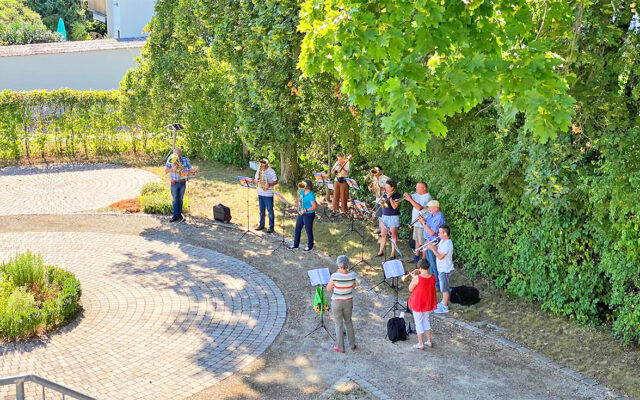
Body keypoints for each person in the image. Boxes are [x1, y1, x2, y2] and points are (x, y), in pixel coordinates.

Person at [327, 255, 357, 353]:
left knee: (338, 324)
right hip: (348, 301)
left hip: (337, 302)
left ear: (338, 264)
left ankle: (340, 347)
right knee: (348, 321)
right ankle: (352, 345)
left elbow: (328, 288)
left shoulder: (335, 276)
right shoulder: (352, 275)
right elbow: (353, 286)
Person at [407, 259, 438, 349]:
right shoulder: (433, 277)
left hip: (418, 302)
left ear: (420, 268)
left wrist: (413, 278)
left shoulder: (417, 278)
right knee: (426, 321)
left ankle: (420, 344)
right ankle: (429, 341)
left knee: (418, 323)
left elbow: (410, 289)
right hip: (427, 302)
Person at [418, 200, 446, 289]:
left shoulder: (439, 217)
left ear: (436, 208)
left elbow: (431, 233)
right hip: (428, 241)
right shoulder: (431, 214)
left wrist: (423, 223)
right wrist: (421, 221)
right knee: (430, 263)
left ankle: (438, 284)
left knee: (434, 264)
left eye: (431, 207)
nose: (429, 209)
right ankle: (433, 282)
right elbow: (426, 225)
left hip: (434, 242)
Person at [427, 225, 454, 313]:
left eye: (440, 232)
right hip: (441, 268)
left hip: (445, 269)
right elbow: (437, 249)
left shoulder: (448, 244)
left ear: (445, 233)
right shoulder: (442, 241)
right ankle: (443, 302)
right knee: (444, 288)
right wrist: (430, 245)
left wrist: (432, 249)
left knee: (444, 289)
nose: (438, 234)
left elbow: (440, 256)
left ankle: (445, 307)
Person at [403, 182, 432, 261]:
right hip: (416, 222)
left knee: (423, 242)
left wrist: (410, 199)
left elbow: (419, 208)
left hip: (423, 223)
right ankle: (416, 256)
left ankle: (423, 259)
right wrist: (406, 196)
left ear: (424, 188)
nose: (416, 189)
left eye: (418, 188)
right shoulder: (417, 194)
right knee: (416, 240)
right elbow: (408, 197)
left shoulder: (427, 197)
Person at [289, 180, 317, 253]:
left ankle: (310, 247)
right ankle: (295, 245)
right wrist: (297, 202)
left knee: (308, 230)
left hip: (309, 214)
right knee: (297, 228)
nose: (302, 186)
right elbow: (299, 199)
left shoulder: (311, 195)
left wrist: (306, 210)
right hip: (301, 213)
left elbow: (314, 206)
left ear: (307, 186)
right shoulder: (302, 191)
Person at [164, 148, 192, 223]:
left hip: (182, 182)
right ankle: (175, 215)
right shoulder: (170, 160)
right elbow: (166, 171)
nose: (176, 156)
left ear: (180, 154)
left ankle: (179, 215)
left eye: (178, 155)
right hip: (174, 183)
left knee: (180, 199)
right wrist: (173, 169)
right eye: (175, 154)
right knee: (175, 199)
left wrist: (187, 171)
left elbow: (190, 169)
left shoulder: (185, 160)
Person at [377, 180, 402, 258]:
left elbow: (395, 207)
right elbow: (383, 205)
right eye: (386, 187)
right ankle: (380, 252)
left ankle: (392, 254)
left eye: (388, 187)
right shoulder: (385, 194)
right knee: (383, 235)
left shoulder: (397, 195)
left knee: (393, 236)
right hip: (385, 216)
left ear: (392, 188)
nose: (386, 188)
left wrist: (390, 198)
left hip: (393, 217)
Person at [253, 158, 278, 233]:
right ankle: (261, 225)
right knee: (261, 210)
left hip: (268, 194)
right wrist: (256, 180)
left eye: (263, 164)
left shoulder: (271, 171)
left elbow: (276, 181)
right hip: (260, 192)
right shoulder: (259, 170)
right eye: (260, 164)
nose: (261, 165)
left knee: (270, 211)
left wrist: (269, 184)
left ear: (266, 164)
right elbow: (255, 179)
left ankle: (271, 227)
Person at [368, 166, 389, 234]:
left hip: (384, 198)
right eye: (373, 171)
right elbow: (373, 185)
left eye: (376, 171)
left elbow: (390, 189)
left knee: (384, 215)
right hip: (377, 198)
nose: (374, 173)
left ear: (380, 171)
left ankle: (386, 230)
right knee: (379, 215)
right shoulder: (374, 178)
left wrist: (381, 189)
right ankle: (380, 229)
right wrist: (370, 186)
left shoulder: (386, 178)